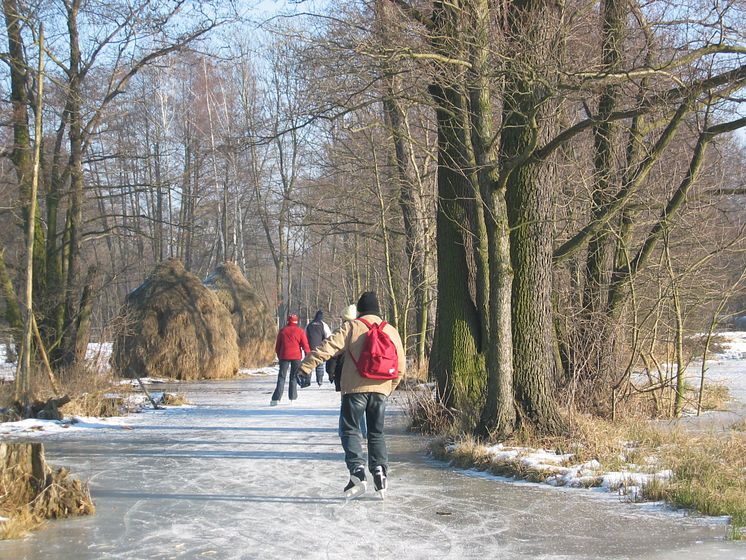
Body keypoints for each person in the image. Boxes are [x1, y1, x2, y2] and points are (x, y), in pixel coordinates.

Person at [299, 292, 405, 499]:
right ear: (378, 310)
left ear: (360, 310)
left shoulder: (352, 326)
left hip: (354, 390)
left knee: (350, 430)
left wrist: (306, 366)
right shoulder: (391, 330)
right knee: (376, 433)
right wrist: (388, 387)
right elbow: (400, 366)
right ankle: (380, 471)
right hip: (381, 389)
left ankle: (357, 471)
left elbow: (327, 347)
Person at [271, 314, 310, 406]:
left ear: (288, 321)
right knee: (293, 377)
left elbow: (278, 346)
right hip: (296, 356)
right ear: (297, 321)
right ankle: (292, 398)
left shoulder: (283, 331)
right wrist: (308, 354)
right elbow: (305, 344)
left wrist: (279, 354)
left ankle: (276, 399)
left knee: (281, 377)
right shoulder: (300, 331)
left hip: (284, 356)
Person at [305, 310, 332, 386]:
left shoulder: (309, 325)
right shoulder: (323, 324)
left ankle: (307, 381)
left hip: (310, 348)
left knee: (309, 364)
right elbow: (328, 336)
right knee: (319, 365)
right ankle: (319, 381)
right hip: (320, 348)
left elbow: (305, 335)